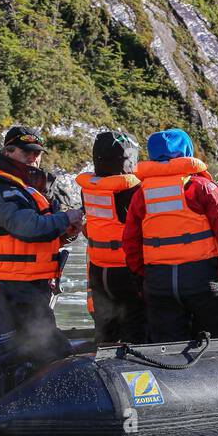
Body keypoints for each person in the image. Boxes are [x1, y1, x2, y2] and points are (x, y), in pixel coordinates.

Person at [0, 126, 84, 362]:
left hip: (31, 283)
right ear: (8, 152)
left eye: (37, 153)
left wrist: (66, 233)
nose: (34, 158)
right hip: (12, 284)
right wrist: (65, 218)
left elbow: (36, 235)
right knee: (52, 350)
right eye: (27, 153)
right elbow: (27, 227)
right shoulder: (3, 189)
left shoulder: (27, 189)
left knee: (33, 346)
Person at [122, 129, 218, 343]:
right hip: (202, 280)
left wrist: (145, 275)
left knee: (167, 345)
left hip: (159, 282)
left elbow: (130, 243)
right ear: (187, 152)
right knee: (215, 341)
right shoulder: (202, 188)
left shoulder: (141, 194)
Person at [76, 131, 145, 344]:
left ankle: (102, 365)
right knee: (136, 325)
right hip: (127, 269)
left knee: (106, 330)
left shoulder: (89, 189)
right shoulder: (133, 190)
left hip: (99, 269)